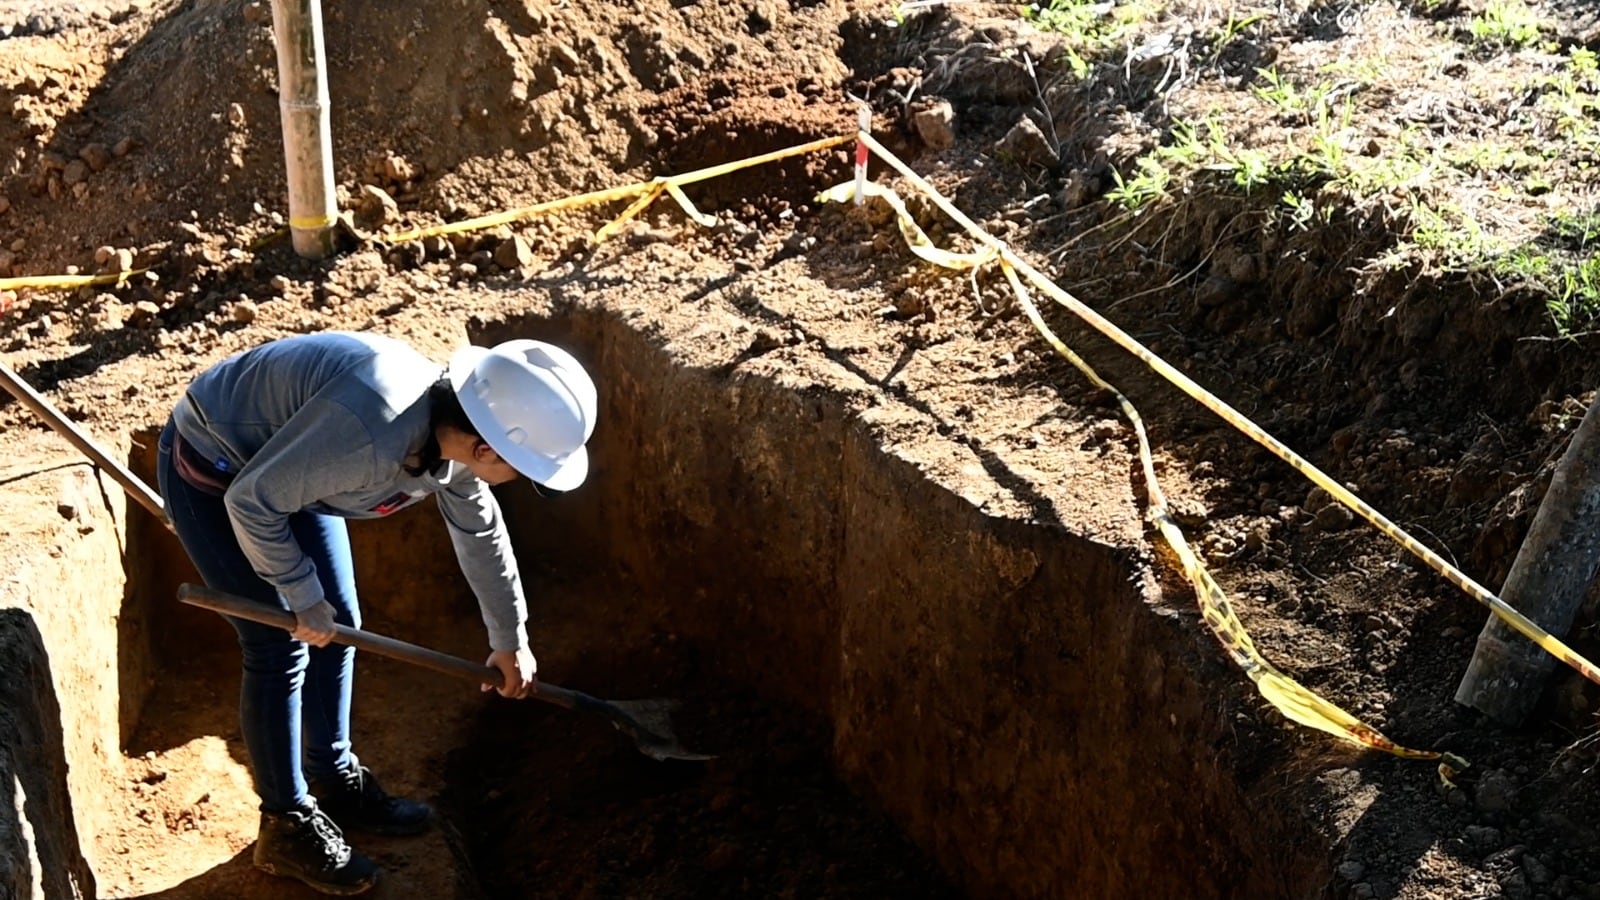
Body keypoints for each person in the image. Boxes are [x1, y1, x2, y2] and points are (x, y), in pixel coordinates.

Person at [155, 331, 597, 894]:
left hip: (291, 472)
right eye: (526, 469)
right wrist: (299, 592)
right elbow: (253, 500)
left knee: (339, 626)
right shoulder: (368, 437)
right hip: (217, 471)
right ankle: (286, 824)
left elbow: (479, 532)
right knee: (278, 642)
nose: (524, 481)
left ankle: (333, 776)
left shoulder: (458, 435)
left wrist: (510, 636)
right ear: (489, 449)